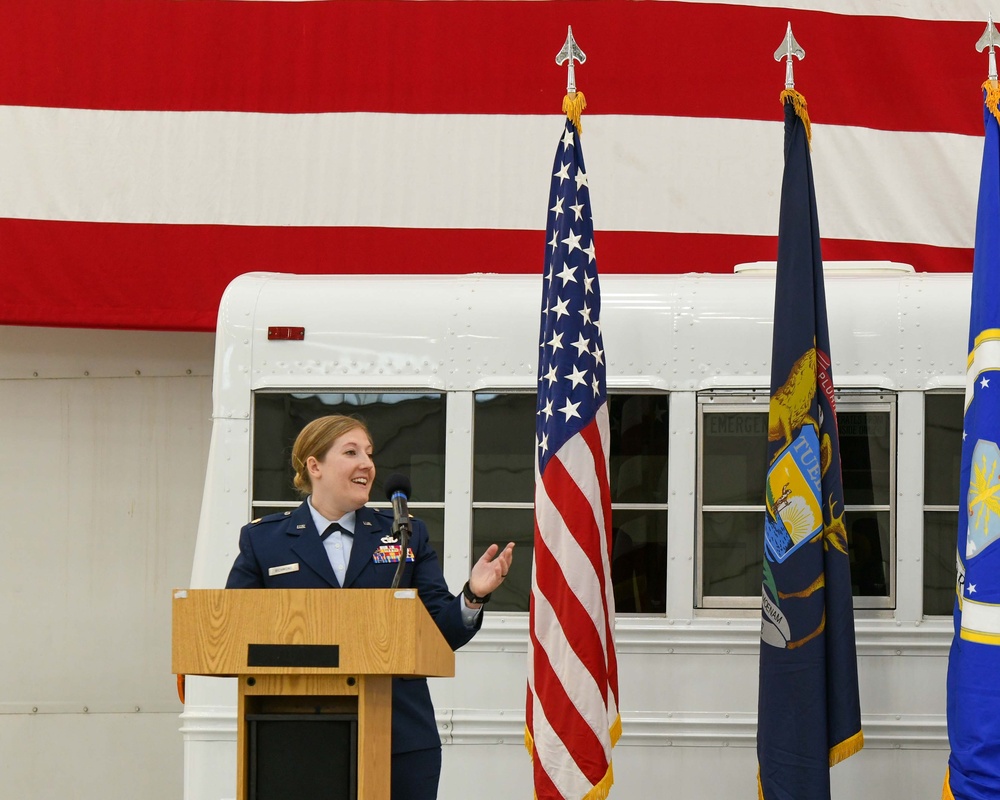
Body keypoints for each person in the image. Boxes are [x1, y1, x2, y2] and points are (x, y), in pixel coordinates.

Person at [226, 414, 515, 800]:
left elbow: (441, 631)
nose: (367, 463)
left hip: (400, 735)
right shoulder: (265, 540)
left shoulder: (405, 534)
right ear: (314, 466)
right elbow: (233, 631)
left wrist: (473, 595)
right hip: (295, 735)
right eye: (351, 452)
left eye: (369, 453)